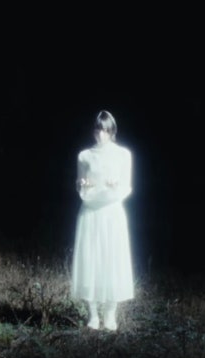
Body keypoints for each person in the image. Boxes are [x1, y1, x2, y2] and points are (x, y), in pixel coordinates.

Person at [71, 110, 134, 331]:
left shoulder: (123, 154)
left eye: (106, 130)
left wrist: (115, 187)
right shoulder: (84, 156)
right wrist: (83, 186)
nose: (101, 134)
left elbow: (126, 187)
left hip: (112, 213)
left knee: (112, 260)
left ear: (112, 131)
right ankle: (93, 315)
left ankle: (110, 314)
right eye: (98, 129)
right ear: (93, 130)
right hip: (90, 212)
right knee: (90, 260)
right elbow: (80, 185)